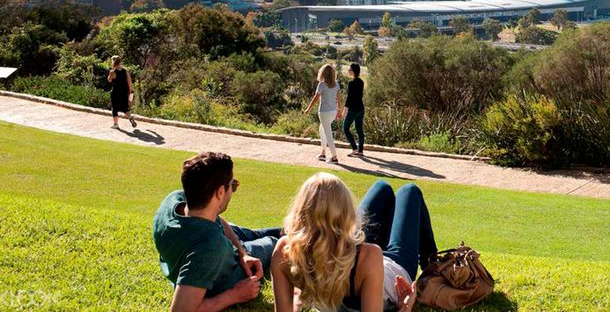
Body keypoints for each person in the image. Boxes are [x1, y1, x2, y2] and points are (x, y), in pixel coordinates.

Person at [271, 174, 438, 312]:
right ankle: (434, 268)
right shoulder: (370, 255)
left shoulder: (284, 250)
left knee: (382, 188)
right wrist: (406, 307)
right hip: (392, 270)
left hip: (353, 255)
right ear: (345, 212)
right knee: (409, 191)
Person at [153, 152, 282, 312]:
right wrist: (235, 294)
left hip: (231, 249)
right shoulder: (208, 249)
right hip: (229, 267)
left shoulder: (174, 201)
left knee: (255, 233)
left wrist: (242, 253)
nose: (232, 190)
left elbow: (216, 219)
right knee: (275, 242)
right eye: (232, 185)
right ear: (220, 192)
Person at [304, 64, 343, 163]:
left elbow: (315, 99)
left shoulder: (322, 85)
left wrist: (308, 109)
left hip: (324, 113)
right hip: (333, 112)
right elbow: (339, 99)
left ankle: (334, 157)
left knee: (328, 134)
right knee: (322, 130)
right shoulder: (336, 84)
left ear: (323, 73)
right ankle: (323, 153)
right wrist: (339, 111)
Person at [342, 63, 365, 157]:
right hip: (361, 109)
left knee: (345, 128)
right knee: (359, 130)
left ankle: (354, 148)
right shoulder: (361, 82)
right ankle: (360, 151)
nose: (348, 71)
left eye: (350, 69)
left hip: (353, 110)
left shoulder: (351, 83)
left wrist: (344, 110)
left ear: (353, 71)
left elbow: (349, 98)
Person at [108, 55, 136, 129]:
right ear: (120, 62)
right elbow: (130, 82)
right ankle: (130, 118)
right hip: (124, 92)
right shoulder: (126, 71)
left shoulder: (113, 72)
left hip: (115, 92)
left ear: (113, 62)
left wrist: (111, 73)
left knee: (114, 108)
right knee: (125, 108)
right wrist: (131, 92)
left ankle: (116, 124)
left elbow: (109, 80)